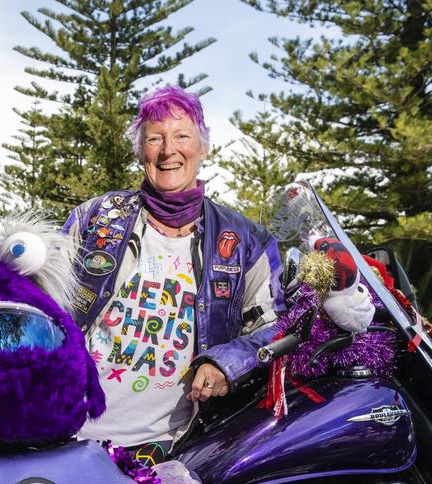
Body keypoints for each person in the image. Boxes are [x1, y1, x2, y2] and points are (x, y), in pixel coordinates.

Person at [65, 85, 284, 462]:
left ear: (203, 147)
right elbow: (39, 304)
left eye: (182, 136)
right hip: (70, 435)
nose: (169, 151)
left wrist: (227, 361)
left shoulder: (246, 239)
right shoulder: (95, 218)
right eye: (155, 138)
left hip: (174, 448)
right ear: (140, 151)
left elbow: (275, 324)